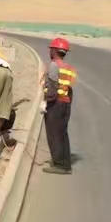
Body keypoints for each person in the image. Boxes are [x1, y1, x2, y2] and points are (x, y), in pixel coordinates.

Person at [42, 36, 77, 174]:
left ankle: (59, 165)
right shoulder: (69, 68)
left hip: (55, 103)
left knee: (53, 134)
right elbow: (70, 89)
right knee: (62, 134)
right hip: (65, 103)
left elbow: (52, 87)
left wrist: (46, 101)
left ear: (54, 51)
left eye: (51, 49)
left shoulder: (53, 65)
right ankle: (65, 163)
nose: (49, 51)